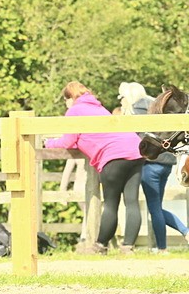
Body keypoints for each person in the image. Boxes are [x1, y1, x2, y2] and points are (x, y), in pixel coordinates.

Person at [45, 82, 144, 254]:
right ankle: (128, 247)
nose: (65, 104)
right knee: (132, 201)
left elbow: (68, 141)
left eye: (65, 100)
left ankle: (100, 246)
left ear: (70, 98)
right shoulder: (100, 108)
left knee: (111, 203)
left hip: (113, 155)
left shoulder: (74, 111)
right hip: (135, 149)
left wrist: (48, 143)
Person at [120, 82, 189, 252]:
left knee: (154, 208)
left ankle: (163, 246)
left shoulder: (136, 111)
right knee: (156, 207)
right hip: (167, 163)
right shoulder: (156, 105)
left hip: (151, 164)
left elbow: (140, 137)